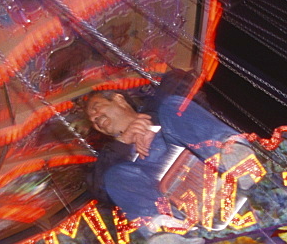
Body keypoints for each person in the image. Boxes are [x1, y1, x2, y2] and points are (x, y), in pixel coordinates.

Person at [83, 88, 257, 225]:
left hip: (216, 166)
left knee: (172, 106)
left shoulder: (161, 113)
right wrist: (122, 142)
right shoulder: (113, 158)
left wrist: (151, 120)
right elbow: (101, 192)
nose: (95, 118)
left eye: (96, 109)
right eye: (92, 121)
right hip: (184, 205)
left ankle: (236, 157)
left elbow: (181, 80)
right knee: (115, 176)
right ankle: (169, 230)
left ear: (119, 99)